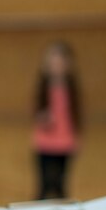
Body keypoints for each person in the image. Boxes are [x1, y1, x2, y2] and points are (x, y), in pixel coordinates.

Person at [32, 41, 81, 200]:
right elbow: (37, 113)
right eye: (53, 62)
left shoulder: (72, 89)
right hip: (44, 143)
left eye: (60, 62)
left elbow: (76, 116)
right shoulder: (43, 88)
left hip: (65, 143)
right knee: (44, 186)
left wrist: (77, 138)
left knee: (60, 186)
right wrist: (43, 118)